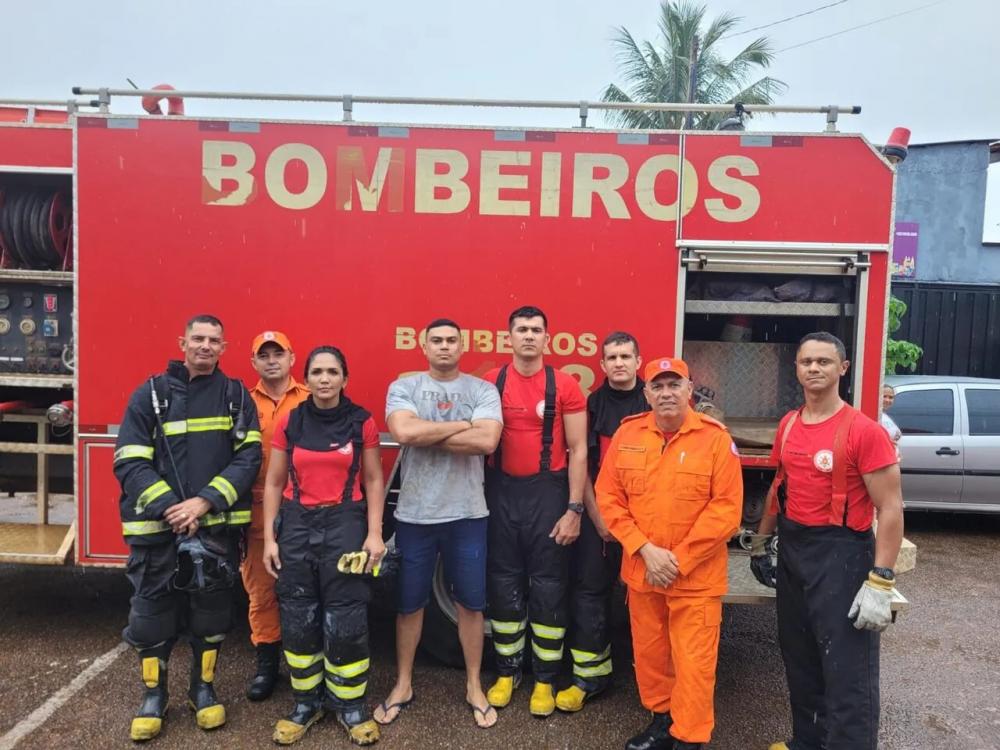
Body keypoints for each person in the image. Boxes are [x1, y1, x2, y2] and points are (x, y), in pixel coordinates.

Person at [749, 332, 904, 750]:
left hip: (843, 555)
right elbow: (779, 486)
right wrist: (763, 543)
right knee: (800, 658)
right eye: (806, 362)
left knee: (847, 670)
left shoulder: (865, 432)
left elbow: (890, 509)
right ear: (796, 369)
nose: (814, 368)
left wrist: (880, 580)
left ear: (843, 369)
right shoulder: (789, 423)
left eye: (823, 361)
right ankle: (807, 742)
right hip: (795, 551)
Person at [113, 314, 262, 741]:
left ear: (224, 348)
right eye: (198, 338)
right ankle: (153, 697)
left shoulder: (235, 396)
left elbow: (248, 458)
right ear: (182, 341)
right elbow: (129, 460)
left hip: (212, 528)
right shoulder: (151, 395)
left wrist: (204, 502)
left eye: (214, 340)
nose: (205, 346)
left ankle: (203, 689)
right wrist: (169, 507)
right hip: (157, 531)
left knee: (211, 616)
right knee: (150, 618)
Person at [596, 356, 742, 750]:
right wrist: (645, 549)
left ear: (689, 390)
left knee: (693, 663)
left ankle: (689, 738)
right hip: (644, 571)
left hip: (694, 577)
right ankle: (662, 724)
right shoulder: (628, 435)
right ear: (646, 394)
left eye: (673, 385)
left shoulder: (714, 439)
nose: (666, 393)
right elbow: (608, 497)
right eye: (657, 386)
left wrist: (679, 560)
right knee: (652, 657)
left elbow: (727, 509)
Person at [375, 318, 503, 730]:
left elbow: (487, 442)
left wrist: (426, 432)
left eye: (451, 341)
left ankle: (473, 686)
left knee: (471, 604)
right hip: (414, 514)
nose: (445, 346)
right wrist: (462, 425)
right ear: (424, 347)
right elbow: (403, 432)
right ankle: (403, 684)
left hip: (468, 513)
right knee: (409, 604)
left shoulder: (482, 389)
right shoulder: (405, 387)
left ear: (461, 347)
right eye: (437, 341)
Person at [262, 346, 386, 746]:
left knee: (346, 618)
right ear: (307, 378)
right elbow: (275, 483)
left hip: (346, 524)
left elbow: (372, 480)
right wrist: (269, 537)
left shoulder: (361, 421)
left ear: (344, 379)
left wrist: (374, 533)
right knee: (299, 618)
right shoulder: (290, 421)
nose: (325, 379)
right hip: (297, 526)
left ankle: (351, 706)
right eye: (317, 372)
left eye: (333, 372)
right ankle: (306, 704)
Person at [482, 305, 588, 717]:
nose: (529, 336)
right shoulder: (491, 383)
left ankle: (545, 678)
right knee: (503, 583)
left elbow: (579, 450)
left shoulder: (565, 386)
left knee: (548, 587)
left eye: (536, 330)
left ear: (548, 338)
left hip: (549, 495)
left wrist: (574, 509)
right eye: (522, 329)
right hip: (500, 494)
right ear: (508, 336)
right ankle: (507, 672)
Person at [556, 331, 649, 713]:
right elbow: (585, 467)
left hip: (649, 525)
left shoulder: (656, 399)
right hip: (603, 522)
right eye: (611, 357)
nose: (619, 363)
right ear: (602, 365)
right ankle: (589, 678)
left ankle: (656, 684)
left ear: (638, 361)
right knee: (590, 594)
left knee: (651, 602)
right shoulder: (591, 405)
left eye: (626, 356)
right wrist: (598, 521)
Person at [242, 331, 310, 701]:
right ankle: (267, 667)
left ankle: (305, 665)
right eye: (263, 355)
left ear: (292, 358)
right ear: (254, 362)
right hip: (256, 511)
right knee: (262, 592)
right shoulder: (241, 402)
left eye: (278, 353)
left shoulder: (311, 398)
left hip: (301, 510)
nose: (271, 360)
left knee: (304, 590)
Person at [880, 383, 902, 452]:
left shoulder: (885, 416)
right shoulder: (875, 416)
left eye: (890, 397)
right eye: (884, 396)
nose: (887, 400)